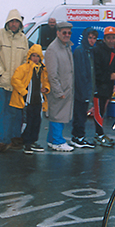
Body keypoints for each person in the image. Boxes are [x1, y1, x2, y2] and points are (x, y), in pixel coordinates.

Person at [0, 9, 29, 152]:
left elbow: (26, 60)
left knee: (15, 112)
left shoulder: (23, 38)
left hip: (15, 84)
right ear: (7, 22)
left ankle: (14, 139)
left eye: (16, 21)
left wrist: (21, 78)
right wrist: (2, 74)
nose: (14, 24)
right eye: (11, 21)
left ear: (20, 23)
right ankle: (0, 141)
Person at [11, 44, 50, 154]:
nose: (35, 58)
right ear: (29, 56)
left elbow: (46, 81)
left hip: (38, 100)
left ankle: (33, 141)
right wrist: (24, 92)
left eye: (38, 56)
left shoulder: (42, 69)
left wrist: (46, 88)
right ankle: (26, 143)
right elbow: (15, 79)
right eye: (33, 55)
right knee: (27, 122)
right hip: (27, 101)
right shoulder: (24, 68)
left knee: (37, 122)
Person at [45, 21, 75, 152]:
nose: (67, 35)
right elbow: (52, 74)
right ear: (58, 33)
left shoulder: (66, 46)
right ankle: (58, 141)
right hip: (59, 90)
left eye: (69, 33)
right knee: (57, 115)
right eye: (64, 32)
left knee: (59, 114)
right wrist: (58, 91)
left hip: (66, 88)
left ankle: (52, 139)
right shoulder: (53, 49)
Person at [92, 26, 115, 147]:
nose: (111, 40)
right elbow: (96, 70)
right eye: (108, 38)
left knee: (102, 111)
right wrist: (109, 76)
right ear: (104, 38)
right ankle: (98, 135)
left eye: (113, 38)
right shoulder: (98, 50)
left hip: (107, 87)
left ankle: (100, 134)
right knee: (98, 112)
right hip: (98, 87)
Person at [71, 27, 98, 149]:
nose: (92, 40)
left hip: (88, 89)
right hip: (81, 91)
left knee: (83, 114)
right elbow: (80, 74)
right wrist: (83, 93)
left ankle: (80, 136)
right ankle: (78, 137)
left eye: (94, 38)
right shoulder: (80, 51)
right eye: (90, 37)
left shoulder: (90, 51)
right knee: (80, 115)